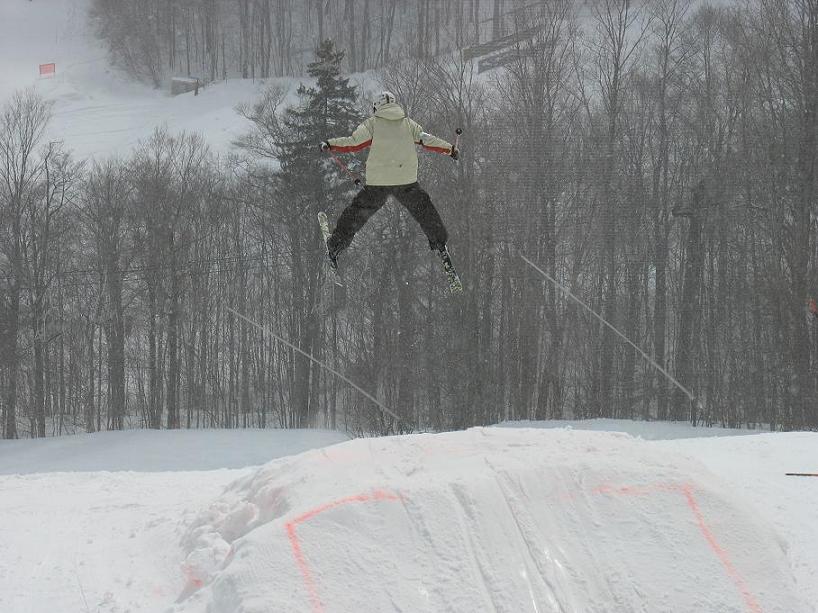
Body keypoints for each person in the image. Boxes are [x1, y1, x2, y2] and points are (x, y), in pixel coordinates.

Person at [320, 91, 459, 273]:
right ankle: (440, 244)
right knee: (424, 209)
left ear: (376, 107)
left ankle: (335, 246)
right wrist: (450, 149)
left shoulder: (372, 124)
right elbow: (427, 139)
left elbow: (353, 143)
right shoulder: (408, 124)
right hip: (405, 180)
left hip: (379, 182)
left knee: (357, 212)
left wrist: (330, 144)